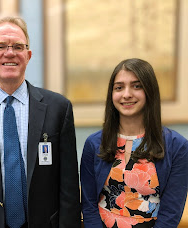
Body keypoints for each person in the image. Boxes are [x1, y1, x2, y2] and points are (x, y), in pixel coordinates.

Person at [0, 16, 81, 228]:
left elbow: (69, 188)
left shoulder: (58, 108)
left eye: (18, 46)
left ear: (28, 56)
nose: (10, 53)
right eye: (0, 46)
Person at [80, 58, 188, 228]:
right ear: (112, 94)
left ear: (149, 91)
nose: (127, 94)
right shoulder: (94, 144)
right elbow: (88, 204)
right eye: (119, 87)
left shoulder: (177, 146)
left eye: (137, 86)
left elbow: (171, 212)